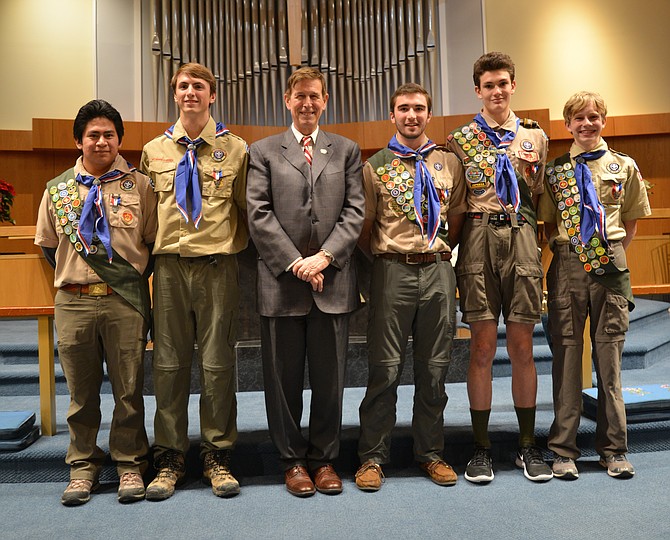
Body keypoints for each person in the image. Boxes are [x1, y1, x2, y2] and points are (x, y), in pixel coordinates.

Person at [246, 66, 364, 497]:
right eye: (300, 96)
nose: (308, 103)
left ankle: (325, 459)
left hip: (332, 281)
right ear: (287, 100)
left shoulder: (346, 150)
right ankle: (292, 461)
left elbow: (355, 212)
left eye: (315, 96)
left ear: (326, 99)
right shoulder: (262, 151)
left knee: (331, 379)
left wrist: (324, 258)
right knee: (282, 379)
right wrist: (297, 263)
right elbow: (257, 213)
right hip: (282, 281)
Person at [35, 99, 157, 506]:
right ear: (79, 140)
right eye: (93, 135)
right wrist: (83, 276)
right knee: (81, 393)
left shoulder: (139, 186)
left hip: (124, 300)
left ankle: (129, 465)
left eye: (109, 134)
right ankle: (83, 467)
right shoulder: (57, 190)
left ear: (120, 139)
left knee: (129, 390)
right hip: (74, 302)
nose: (101, 141)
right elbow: (49, 248)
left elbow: (152, 244)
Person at [140, 63, 249, 500]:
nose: (190, 92)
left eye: (198, 86)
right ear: (175, 94)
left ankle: (217, 455)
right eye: (183, 86)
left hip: (218, 270)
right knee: (168, 366)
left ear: (212, 95)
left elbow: (246, 211)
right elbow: (146, 221)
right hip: (168, 269)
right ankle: (169, 458)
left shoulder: (236, 149)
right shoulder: (153, 151)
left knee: (218, 364)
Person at [446, 51, 553, 483]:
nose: (496, 91)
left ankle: (527, 445)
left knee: (524, 346)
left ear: (513, 86)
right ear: (477, 91)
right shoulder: (459, 139)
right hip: (476, 240)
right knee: (483, 347)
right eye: (488, 85)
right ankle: (481, 447)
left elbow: (541, 197)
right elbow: (453, 201)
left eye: (503, 83)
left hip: (522, 236)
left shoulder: (535, 137)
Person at [354, 83, 466, 491]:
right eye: (403, 108)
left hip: (438, 270)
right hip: (391, 273)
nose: (412, 115)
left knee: (434, 369)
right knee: (383, 370)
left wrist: (436, 252)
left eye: (419, 108)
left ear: (429, 115)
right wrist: (393, 259)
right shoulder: (375, 165)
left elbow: (457, 217)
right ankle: (372, 457)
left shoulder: (449, 164)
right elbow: (366, 230)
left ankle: (431, 454)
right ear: (392, 115)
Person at [539, 91, 651, 480]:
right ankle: (563, 449)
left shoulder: (624, 166)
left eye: (594, 117)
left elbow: (633, 219)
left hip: (610, 260)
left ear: (604, 120)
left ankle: (614, 449)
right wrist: (578, 250)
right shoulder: (555, 171)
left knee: (609, 358)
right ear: (567, 124)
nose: (587, 124)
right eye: (578, 118)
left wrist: (607, 251)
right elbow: (550, 223)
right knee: (568, 355)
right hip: (568, 262)